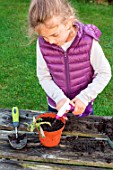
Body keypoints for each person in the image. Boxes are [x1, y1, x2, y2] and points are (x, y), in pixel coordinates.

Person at [28, 0, 111, 116]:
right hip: (57, 105)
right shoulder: (42, 44)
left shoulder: (88, 41)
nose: (50, 41)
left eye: (54, 35)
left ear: (68, 23)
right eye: (44, 36)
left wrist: (84, 97)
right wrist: (59, 98)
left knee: (86, 132)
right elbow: (44, 76)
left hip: (82, 105)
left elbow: (104, 72)